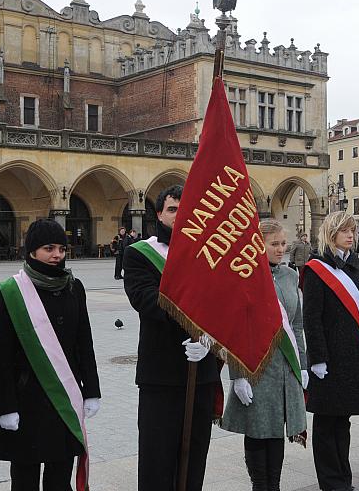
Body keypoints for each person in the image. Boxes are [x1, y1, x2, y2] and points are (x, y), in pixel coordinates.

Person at [122, 185, 219, 491]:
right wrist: (191, 323)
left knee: (195, 457)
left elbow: (224, 302)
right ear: (160, 214)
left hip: (202, 370)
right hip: (160, 374)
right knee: (157, 458)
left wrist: (209, 341)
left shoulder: (210, 253)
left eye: (186, 209)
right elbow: (146, 299)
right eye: (173, 209)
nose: (180, 216)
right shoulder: (139, 254)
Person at [0, 218, 101, 491]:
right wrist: (5, 407)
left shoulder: (74, 287)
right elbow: (1, 357)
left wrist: (92, 390)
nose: (57, 255)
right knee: (25, 478)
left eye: (62, 249)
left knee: (59, 476)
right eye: (49, 248)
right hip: (26, 399)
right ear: (32, 252)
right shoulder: (10, 292)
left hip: (63, 397)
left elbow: (84, 343)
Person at [221, 219, 308, 491]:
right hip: (256, 366)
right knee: (259, 430)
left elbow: (296, 324)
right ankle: (260, 486)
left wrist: (302, 364)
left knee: (277, 432)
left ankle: (274, 485)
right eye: (275, 244)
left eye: (284, 244)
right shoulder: (242, 277)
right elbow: (234, 327)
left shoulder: (291, 276)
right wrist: (238, 375)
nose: (281, 249)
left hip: (286, 365)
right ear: (258, 245)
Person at [303, 212, 359, 491]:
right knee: (326, 421)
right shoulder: (315, 268)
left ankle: (343, 478)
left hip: (353, 354)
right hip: (330, 357)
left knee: (343, 419)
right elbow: (311, 318)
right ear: (331, 232)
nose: (352, 235)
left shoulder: (356, 263)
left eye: (354, 231)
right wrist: (318, 358)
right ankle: (331, 481)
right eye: (346, 231)